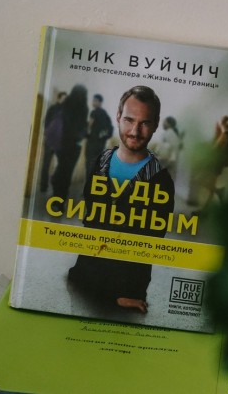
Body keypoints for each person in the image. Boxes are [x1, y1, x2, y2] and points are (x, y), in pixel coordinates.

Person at [68, 85, 175, 313]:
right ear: (118, 117)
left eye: (144, 123)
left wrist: (126, 291)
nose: (135, 131)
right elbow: (90, 218)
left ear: (156, 124)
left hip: (125, 289)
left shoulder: (161, 180)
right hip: (83, 275)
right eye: (129, 120)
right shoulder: (100, 161)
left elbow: (150, 242)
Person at [50, 85, 88, 208]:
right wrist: (81, 135)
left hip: (62, 145)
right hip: (74, 146)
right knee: (67, 173)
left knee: (61, 169)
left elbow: (63, 123)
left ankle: (57, 197)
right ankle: (61, 200)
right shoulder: (83, 108)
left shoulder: (66, 104)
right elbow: (82, 128)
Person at [40, 91, 66, 192]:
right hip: (51, 141)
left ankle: (54, 183)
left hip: (59, 142)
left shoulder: (65, 110)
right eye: (63, 98)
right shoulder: (53, 108)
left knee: (61, 164)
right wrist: (47, 134)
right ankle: (43, 186)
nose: (65, 100)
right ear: (59, 98)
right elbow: (46, 122)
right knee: (46, 164)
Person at [84, 94, 113, 183]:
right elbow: (110, 129)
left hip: (92, 143)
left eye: (94, 101)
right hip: (101, 144)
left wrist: (85, 134)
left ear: (99, 102)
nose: (93, 102)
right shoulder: (105, 114)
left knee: (89, 164)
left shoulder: (94, 112)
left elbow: (89, 126)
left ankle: (88, 185)